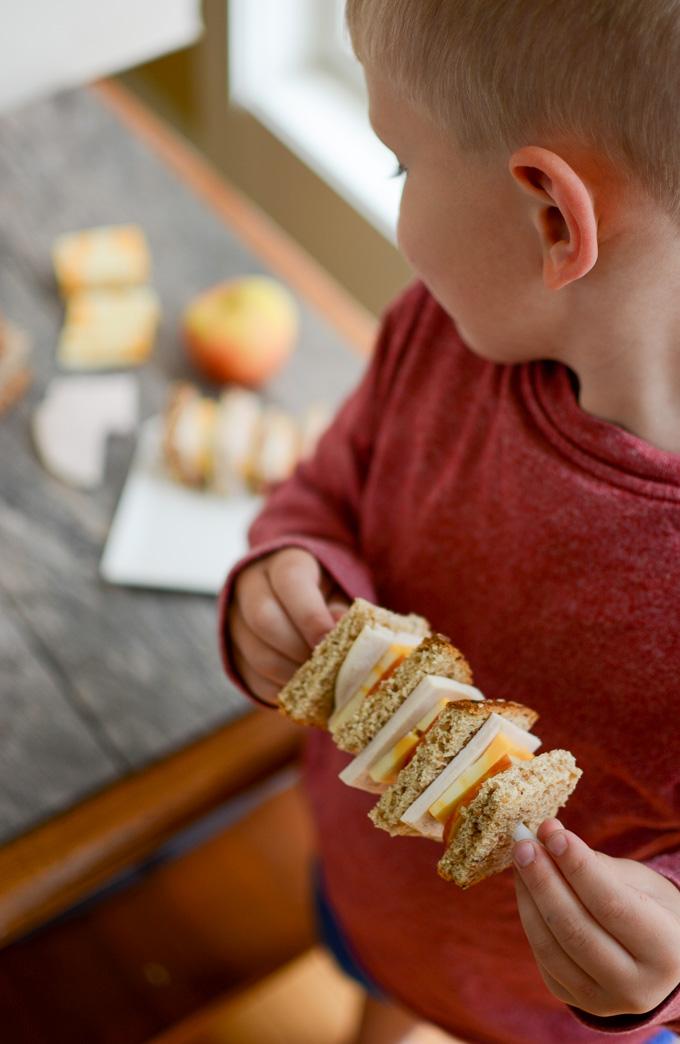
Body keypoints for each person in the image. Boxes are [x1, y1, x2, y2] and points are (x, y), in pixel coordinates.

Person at [219, 2, 680, 1041]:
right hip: (374, 888)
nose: (396, 207)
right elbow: (328, 490)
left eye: (397, 163)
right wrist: (287, 569)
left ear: (551, 219)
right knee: (377, 985)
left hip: (553, 1009)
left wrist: (661, 955)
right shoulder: (434, 336)